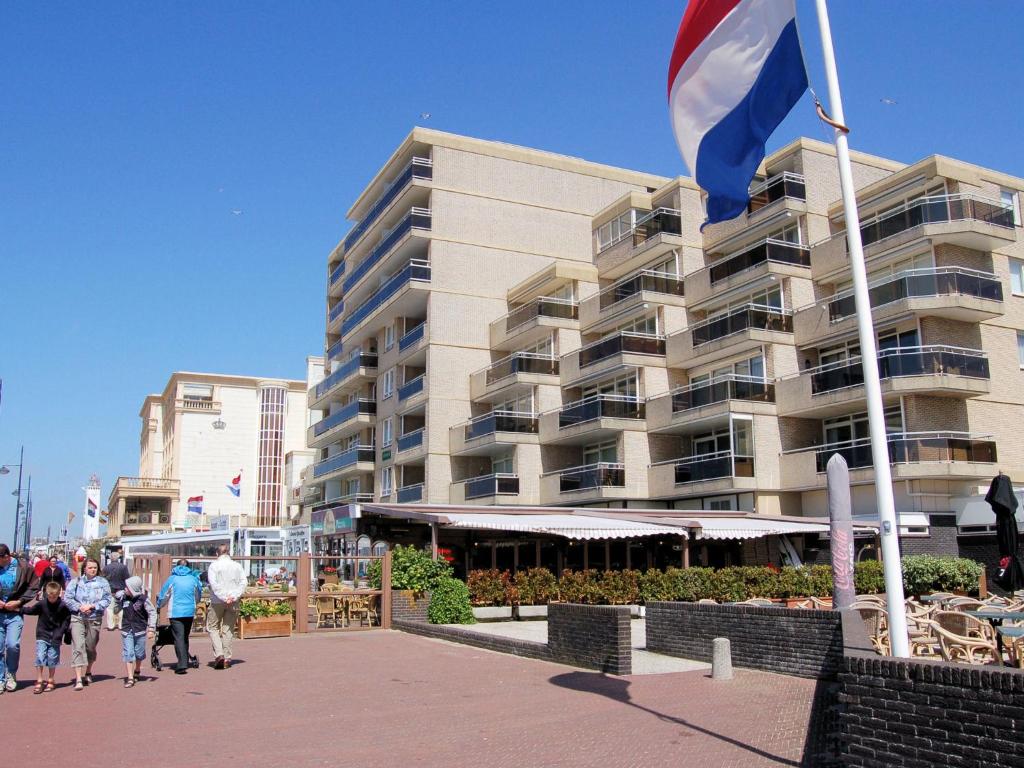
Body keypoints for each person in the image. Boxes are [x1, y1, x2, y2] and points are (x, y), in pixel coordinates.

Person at [63, 557, 111, 691]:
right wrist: (79, 607)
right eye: (90, 567)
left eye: (95, 567)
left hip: (94, 618)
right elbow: (67, 598)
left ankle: (88, 670)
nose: (93, 570)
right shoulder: (76, 582)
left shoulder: (103, 582)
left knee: (90, 646)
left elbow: (107, 599)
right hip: (78, 617)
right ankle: (78, 678)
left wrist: (94, 606)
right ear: (84, 568)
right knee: (78, 646)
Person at [0, 543, 41, 693]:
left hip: (14, 613)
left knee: (12, 644)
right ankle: (0, 678)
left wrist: (19, 601)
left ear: (6, 557)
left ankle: (11, 673)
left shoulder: (23, 567)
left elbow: (34, 585)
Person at [21, 581, 71, 693]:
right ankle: (39, 679)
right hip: (42, 633)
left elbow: (66, 620)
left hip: (55, 636)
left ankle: (51, 679)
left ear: (58, 594)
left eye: (54, 597)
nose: (51, 599)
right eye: (49, 596)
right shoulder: (42, 604)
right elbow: (31, 610)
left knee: (52, 658)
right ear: (46, 594)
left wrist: (62, 631)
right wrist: (19, 609)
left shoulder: (63, 606)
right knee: (40, 656)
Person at [157, 559, 202, 675]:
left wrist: (159, 605)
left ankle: (182, 664)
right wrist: (195, 604)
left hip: (175, 612)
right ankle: (185, 659)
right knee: (185, 636)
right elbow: (198, 594)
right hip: (189, 611)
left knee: (178, 637)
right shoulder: (193, 579)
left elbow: (164, 595)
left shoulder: (172, 579)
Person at [206, 545, 247, 670]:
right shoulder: (237, 565)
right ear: (228, 553)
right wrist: (233, 596)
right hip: (233, 601)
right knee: (228, 629)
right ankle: (227, 657)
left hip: (217, 601)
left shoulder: (214, 566)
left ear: (217, 554)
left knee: (212, 627)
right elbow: (243, 582)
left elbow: (214, 584)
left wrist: (224, 596)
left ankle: (219, 655)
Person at [118, 576, 155, 688]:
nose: (125, 589)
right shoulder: (123, 598)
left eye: (127, 587)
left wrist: (151, 628)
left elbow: (152, 612)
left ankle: (137, 669)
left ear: (133, 588)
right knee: (128, 653)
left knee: (139, 653)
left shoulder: (143, 599)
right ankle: (130, 677)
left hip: (139, 629)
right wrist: (116, 600)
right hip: (126, 629)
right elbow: (116, 609)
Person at [102, 551, 130, 631]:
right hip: (121, 589)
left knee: (110, 608)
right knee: (120, 607)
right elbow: (127, 578)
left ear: (110, 558)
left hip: (110, 589)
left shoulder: (106, 567)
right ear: (118, 558)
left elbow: (103, 579)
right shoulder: (123, 567)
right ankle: (120, 624)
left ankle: (111, 625)